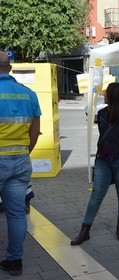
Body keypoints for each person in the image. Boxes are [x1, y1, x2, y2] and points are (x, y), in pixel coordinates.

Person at [71, 82, 119, 246]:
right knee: (96, 194)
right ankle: (85, 230)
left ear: (112, 95)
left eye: (106, 93)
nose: (104, 95)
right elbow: (104, 134)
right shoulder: (102, 114)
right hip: (103, 160)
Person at [0, 51, 41, 276]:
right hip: (21, 161)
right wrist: (25, 153)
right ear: (11, 68)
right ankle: (14, 261)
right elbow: (34, 132)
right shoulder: (29, 94)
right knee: (16, 214)